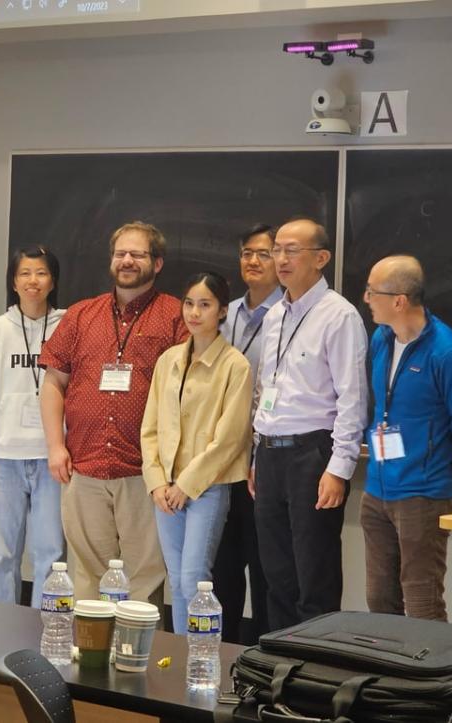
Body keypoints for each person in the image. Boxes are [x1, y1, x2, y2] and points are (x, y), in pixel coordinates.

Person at [40, 221, 187, 603]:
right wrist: (56, 446)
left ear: (156, 263)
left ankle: (137, 658)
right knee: (88, 575)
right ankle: (89, 655)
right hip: (83, 466)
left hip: (145, 472)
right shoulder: (80, 315)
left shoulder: (176, 316)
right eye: (121, 253)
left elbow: (190, 394)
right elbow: (53, 383)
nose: (127, 261)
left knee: (143, 578)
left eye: (137, 254)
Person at [251, 217, 368, 631]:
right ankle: (279, 665)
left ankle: (317, 673)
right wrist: (255, 453)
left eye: (291, 250)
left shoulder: (339, 316)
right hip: (269, 453)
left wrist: (339, 469)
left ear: (320, 258)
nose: (280, 259)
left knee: (313, 574)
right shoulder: (274, 314)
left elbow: (352, 398)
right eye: (275, 250)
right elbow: (269, 385)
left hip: (311, 455)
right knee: (276, 573)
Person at [361, 255, 452, 620]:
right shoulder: (381, 340)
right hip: (377, 489)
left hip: (423, 494)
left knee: (422, 604)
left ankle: (428, 677)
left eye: (371, 291)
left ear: (399, 300)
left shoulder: (449, 355)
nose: (365, 299)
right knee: (379, 601)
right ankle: (388, 675)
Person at [142, 271, 253, 634]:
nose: (194, 312)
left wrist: (185, 485)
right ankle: (180, 662)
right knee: (177, 582)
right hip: (166, 490)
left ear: (222, 311)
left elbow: (231, 439)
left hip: (206, 488)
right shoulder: (168, 360)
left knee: (195, 579)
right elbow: (151, 428)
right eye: (189, 303)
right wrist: (157, 482)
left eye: (205, 305)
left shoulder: (235, 365)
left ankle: (203, 662)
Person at [0, 246, 67, 606]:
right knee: (0, 553)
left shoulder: (68, 324)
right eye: (25, 273)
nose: (33, 281)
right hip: (5, 458)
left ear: (52, 279)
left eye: (41, 272)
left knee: (51, 554)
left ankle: (48, 629)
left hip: (52, 457)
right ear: (13, 281)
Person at [213, 223, 282, 643]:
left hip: (263, 460)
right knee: (221, 569)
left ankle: (264, 660)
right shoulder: (224, 312)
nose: (253, 261)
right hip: (221, 458)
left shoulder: (289, 316)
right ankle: (221, 657)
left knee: (265, 569)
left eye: (264, 253)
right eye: (246, 253)